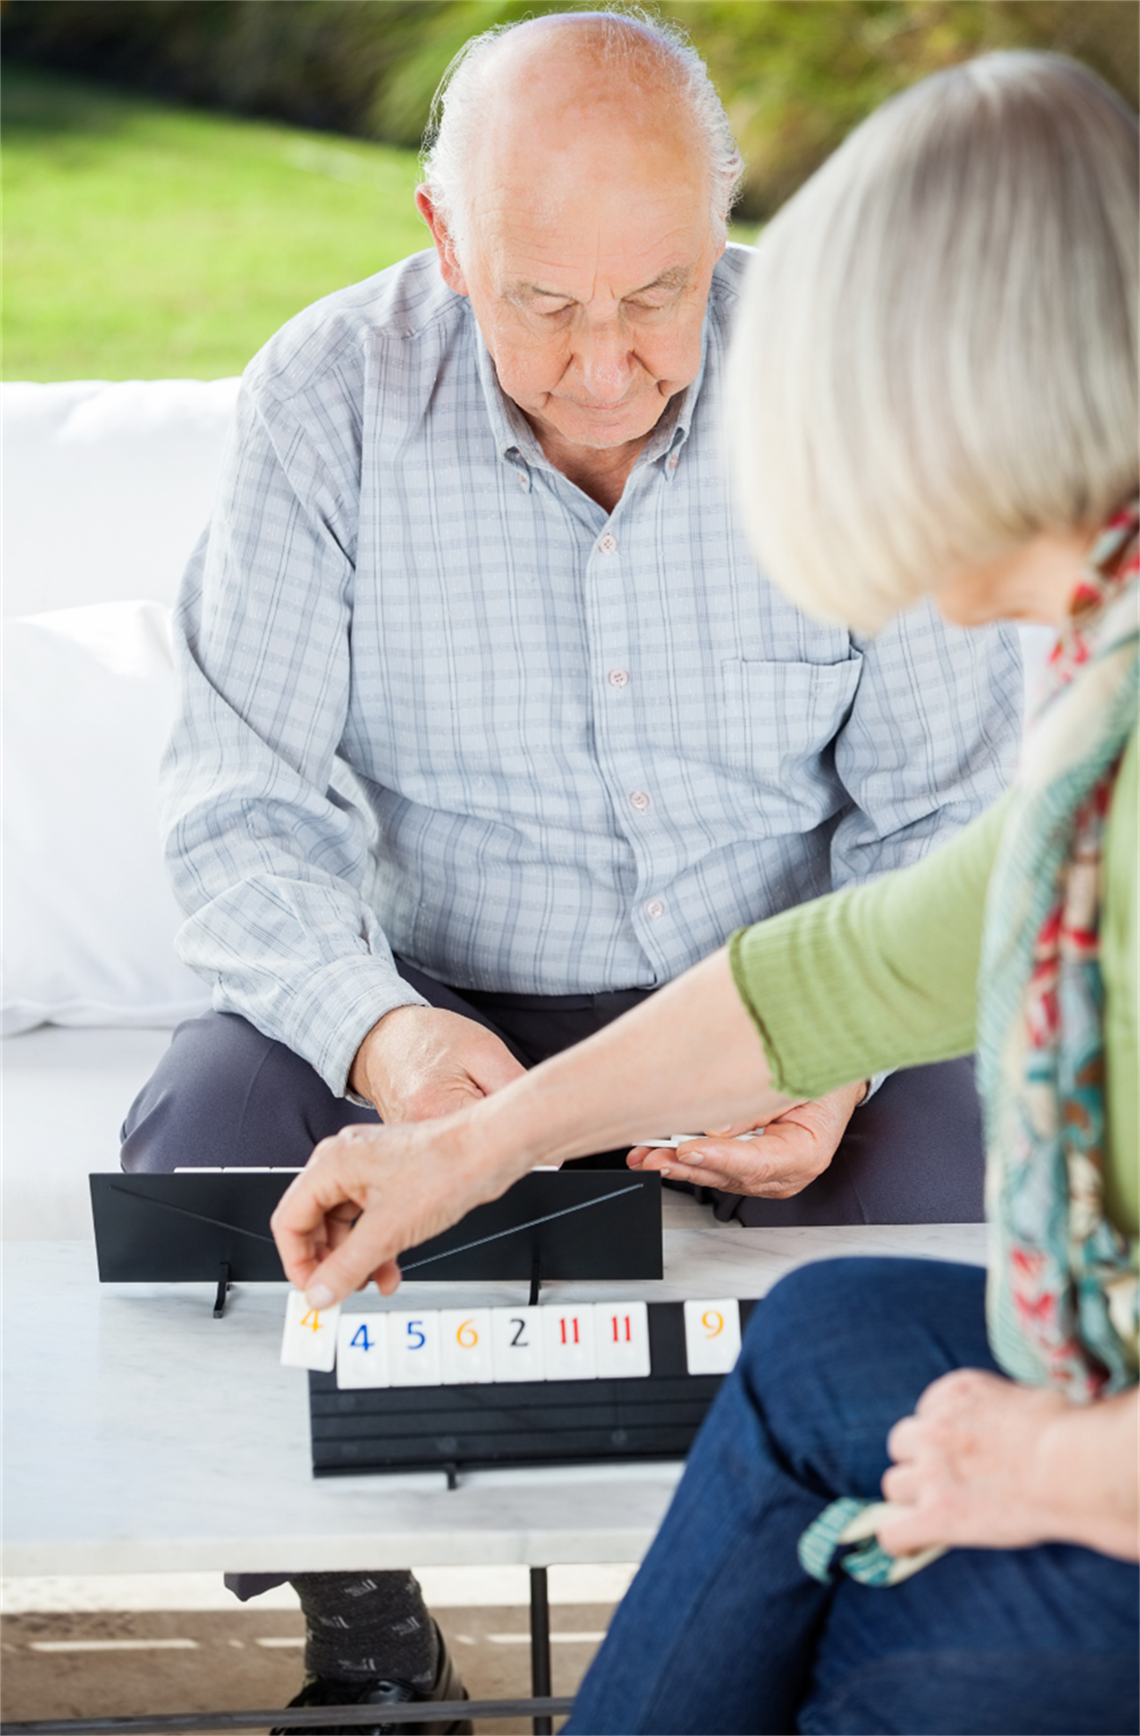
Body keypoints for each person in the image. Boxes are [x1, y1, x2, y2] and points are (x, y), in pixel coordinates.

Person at [121, 10, 1019, 1728]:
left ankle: (859, 1607)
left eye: (655, 295)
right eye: (546, 302)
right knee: (204, 1149)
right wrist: (386, 1045)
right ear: (446, 238)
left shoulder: (851, 391)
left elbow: (947, 811)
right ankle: (369, 1630)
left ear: (724, 232)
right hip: (446, 1002)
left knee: (990, 1149)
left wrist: (833, 1049)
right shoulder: (326, 398)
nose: (608, 363)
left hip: (779, 993)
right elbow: (240, 803)